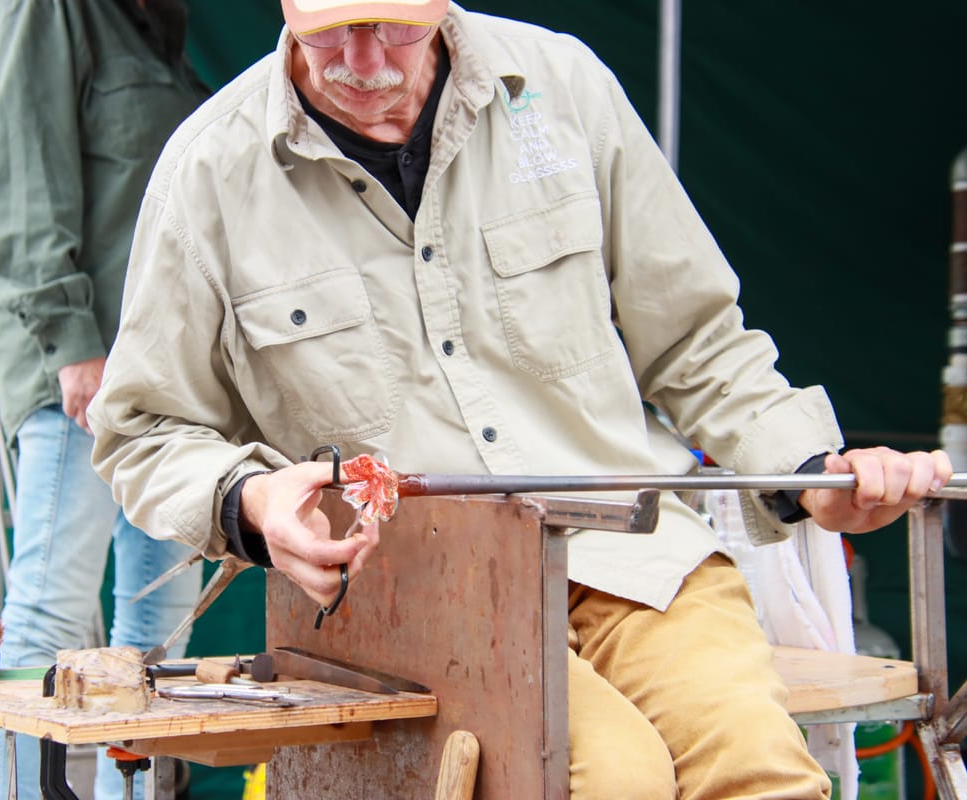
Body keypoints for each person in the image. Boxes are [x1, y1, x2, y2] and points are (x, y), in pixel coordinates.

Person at [88, 1, 953, 797]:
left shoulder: (563, 87)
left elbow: (695, 338)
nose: (362, 62)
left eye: (391, 27)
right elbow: (141, 432)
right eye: (329, 31)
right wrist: (249, 498)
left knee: (759, 773)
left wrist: (806, 472)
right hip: (409, 589)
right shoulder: (211, 169)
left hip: (631, 551)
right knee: (612, 779)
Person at [0, 1, 207, 797]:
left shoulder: (153, 22)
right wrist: (71, 346)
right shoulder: (44, 10)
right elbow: (18, 188)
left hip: (168, 383)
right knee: (46, 624)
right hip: (85, 373)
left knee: (156, 640)